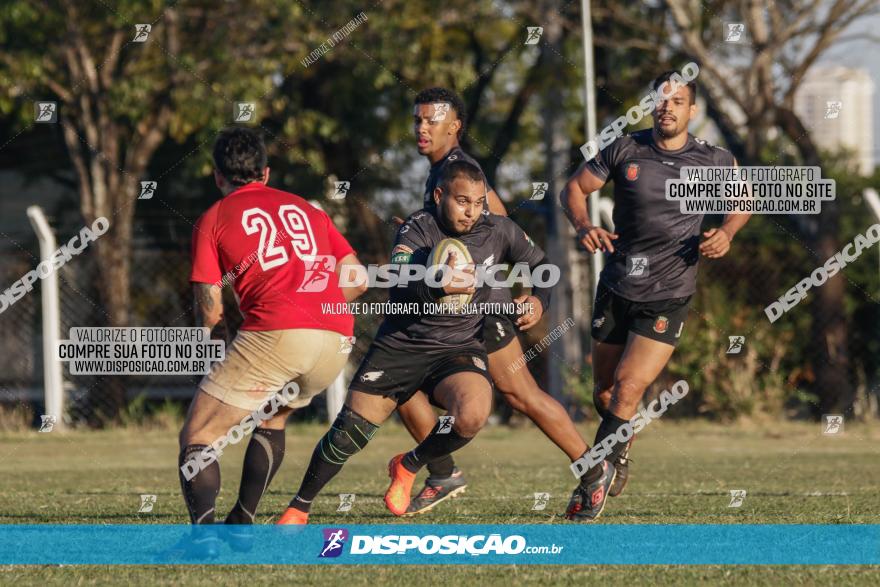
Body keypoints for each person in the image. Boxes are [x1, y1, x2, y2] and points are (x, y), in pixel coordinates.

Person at [276, 159, 552, 524]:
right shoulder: (417, 227)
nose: (471, 212)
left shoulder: (500, 230)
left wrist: (537, 301)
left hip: (458, 348)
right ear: (440, 196)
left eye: (478, 202)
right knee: (348, 435)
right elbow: (400, 282)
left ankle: (408, 466)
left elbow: (543, 268)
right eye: (462, 201)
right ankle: (299, 506)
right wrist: (439, 285)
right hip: (401, 346)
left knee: (471, 415)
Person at [559, 71, 750, 520]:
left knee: (628, 387)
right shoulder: (624, 147)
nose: (668, 107)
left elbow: (741, 203)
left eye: (678, 101)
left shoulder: (715, 160)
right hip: (617, 284)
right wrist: (585, 226)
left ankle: (593, 482)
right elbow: (573, 188)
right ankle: (621, 449)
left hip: (669, 292)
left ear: (691, 110)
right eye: (661, 100)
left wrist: (726, 232)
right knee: (605, 394)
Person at [397, 87, 592, 515]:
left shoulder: (459, 168)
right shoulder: (438, 173)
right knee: (403, 382)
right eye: (418, 119)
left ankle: (592, 469)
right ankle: (444, 471)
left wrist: (521, 291)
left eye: (432, 120)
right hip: (466, 305)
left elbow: (499, 226)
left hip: (481, 309)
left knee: (521, 395)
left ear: (455, 127)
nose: (422, 127)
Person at [180, 127, 367, 540]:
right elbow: (357, 277)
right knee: (272, 418)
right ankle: (242, 523)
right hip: (335, 339)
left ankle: (204, 541)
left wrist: (213, 354)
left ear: (217, 177)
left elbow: (209, 305)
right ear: (265, 172)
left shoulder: (214, 217)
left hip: (279, 333)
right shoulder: (306, 208)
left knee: (199, 435)